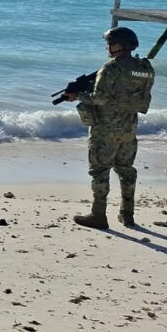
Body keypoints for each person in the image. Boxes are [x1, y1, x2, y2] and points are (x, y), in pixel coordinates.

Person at [63, 26, 154, 230]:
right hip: (129, 128)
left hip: (105, 129)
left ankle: (98, 215)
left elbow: (100, 98)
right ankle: (127, 215)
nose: (107, 48)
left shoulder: (110, 68)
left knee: (99, 171)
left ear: (118, 45)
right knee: (126, 170)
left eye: (109, 44)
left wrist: (77, 96)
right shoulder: (144, 68)